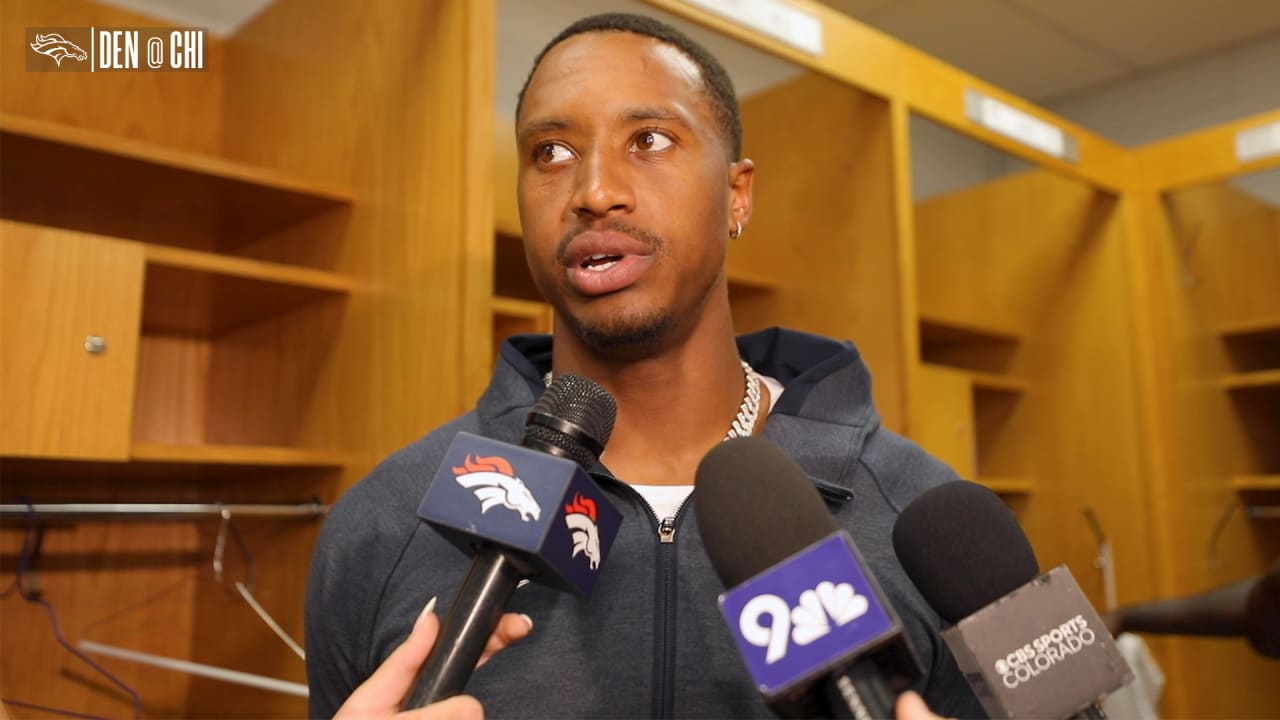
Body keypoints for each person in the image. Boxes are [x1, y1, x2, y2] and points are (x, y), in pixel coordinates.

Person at [306, 12, 985, 718]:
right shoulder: (383, 525)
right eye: (551, 152)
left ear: (737, 194)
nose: (594, 190)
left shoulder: (926, 526)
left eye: (650, 140)